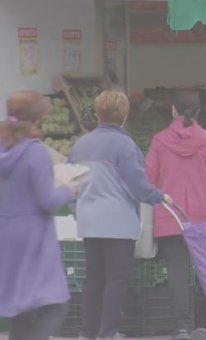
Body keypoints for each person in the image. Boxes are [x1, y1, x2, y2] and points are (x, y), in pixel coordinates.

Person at [68, 90, 171, 340]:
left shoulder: (81, 144)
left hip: (89, 222)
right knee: (117, 279)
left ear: (98, 113)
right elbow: (137, 185)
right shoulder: (125, 145)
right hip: (118, 223)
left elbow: (70, 184)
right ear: (124, 115)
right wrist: (159, 196)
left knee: (94, 278)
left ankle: (87, 332)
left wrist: (78, 210)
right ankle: (108, 332)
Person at [145, 90, 206, 339]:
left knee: (176, 272)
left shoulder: (160, 141)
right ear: (198, 112)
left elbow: (148, 181)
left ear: (173, 110)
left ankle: (182, 327)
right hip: (205, 217)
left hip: (170, 216)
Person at [0, 90, 77, 340]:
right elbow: (48, 200)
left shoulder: (4, 148)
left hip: (7, 235)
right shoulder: (36, 152)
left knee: (22, 309)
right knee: (55, 305)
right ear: (38, 118)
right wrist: (70, 188)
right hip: (34, 236)